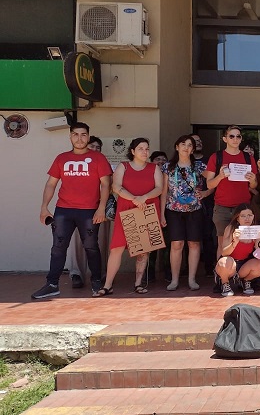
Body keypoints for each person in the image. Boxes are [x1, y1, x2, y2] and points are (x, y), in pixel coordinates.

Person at [33, 123, 112, 299]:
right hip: (63, 210)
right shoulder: (61, 158)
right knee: (58, 248)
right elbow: (51, 184)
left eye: (83, 135)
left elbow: (106, 184)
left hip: (89, 211)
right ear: (70, 137)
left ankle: (97, 282)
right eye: (75, 134)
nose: (79, 138)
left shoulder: (98, 158)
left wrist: (101, 208)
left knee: (91, 247)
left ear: (88, 137)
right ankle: (52, 284)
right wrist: (44, 206)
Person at [97, 138, 164, 297]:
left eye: (147, 149)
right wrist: (135, 198)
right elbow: (116, 186)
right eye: (140, 148)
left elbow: (159, 188)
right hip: (126, 210)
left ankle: (138, 283)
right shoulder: (123, 166)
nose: (145, 152)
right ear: (133, 151)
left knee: (143, 251)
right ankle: (108, 285)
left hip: (146, 210)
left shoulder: (154, 168)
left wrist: (144, 198)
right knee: (117, 248)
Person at [160, 135, 209, 291]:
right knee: (176, 244)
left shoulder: (199, 166)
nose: (186, 147)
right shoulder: (168, 167)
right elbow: (163, 192)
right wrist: (161, 214)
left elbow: (214, 180)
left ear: (193, 149)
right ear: (176, 147)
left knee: (194, 244)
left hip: (195, 210)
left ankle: (192, 279)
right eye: (183, 144)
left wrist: (206, 193)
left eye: (190, 145)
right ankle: (174, 280)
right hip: (173, 210)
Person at [202, 125, 259, 259]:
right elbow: (209, 184)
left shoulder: (248, 158)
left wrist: (252, 180)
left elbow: (254, 184)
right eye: (231, 136)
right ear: (225, 139)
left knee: (245, 243)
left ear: (241, 139)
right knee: (223, 244)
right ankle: (222, 278)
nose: (235, 139)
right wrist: (220, 176)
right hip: (222, 207)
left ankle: (242, 276)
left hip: (243, 209)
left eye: (238, 136)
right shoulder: (216, 157)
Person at [66, 135, 111, 289]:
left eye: (98, 147)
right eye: (92, 146)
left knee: (100, 242)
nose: (95, 149)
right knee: (78, 242)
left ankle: (100, 274)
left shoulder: (103, 163)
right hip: (79, 209)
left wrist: (103, 207)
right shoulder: (74, 163)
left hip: (100, 209)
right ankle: (77, 273)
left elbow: (108, 186)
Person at [214, 204, 260, 296]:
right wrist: (235, 242)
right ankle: (225, 283)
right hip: (230, 263)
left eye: (249, 215)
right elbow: (224, 252)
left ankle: (246, 280)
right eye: (243, 216)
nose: (247, 218)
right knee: (224, 262)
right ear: (237, 218)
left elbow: (259, 256)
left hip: (244, 264)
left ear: (253, 216)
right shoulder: (230, 228)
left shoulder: (256, 230)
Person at [190, 133, 217, 278]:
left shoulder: (209, 161)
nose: (198, 143)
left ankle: (208, 267)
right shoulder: (183, 161)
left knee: (208, 236)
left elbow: (215, 180)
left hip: (208, 203)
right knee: (189, 238)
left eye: (200, 140)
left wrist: (206, 193)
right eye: (195, 141)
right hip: (185, 205)